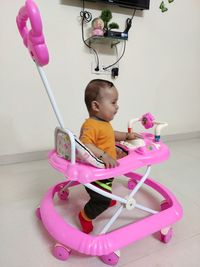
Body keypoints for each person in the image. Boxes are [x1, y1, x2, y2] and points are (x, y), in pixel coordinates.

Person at [78, 79, 141, 234]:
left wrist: (126, 136)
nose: (117, 106)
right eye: (113, 102)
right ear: (96, 106)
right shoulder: (90, 125)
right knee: (102, 202)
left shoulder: (103, 123)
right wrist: (104, 154)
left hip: (105, 172)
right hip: (95, 175)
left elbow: (111, 135)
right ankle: (85, 216)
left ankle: (106, 194)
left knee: (106, 189)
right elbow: (84, 144)